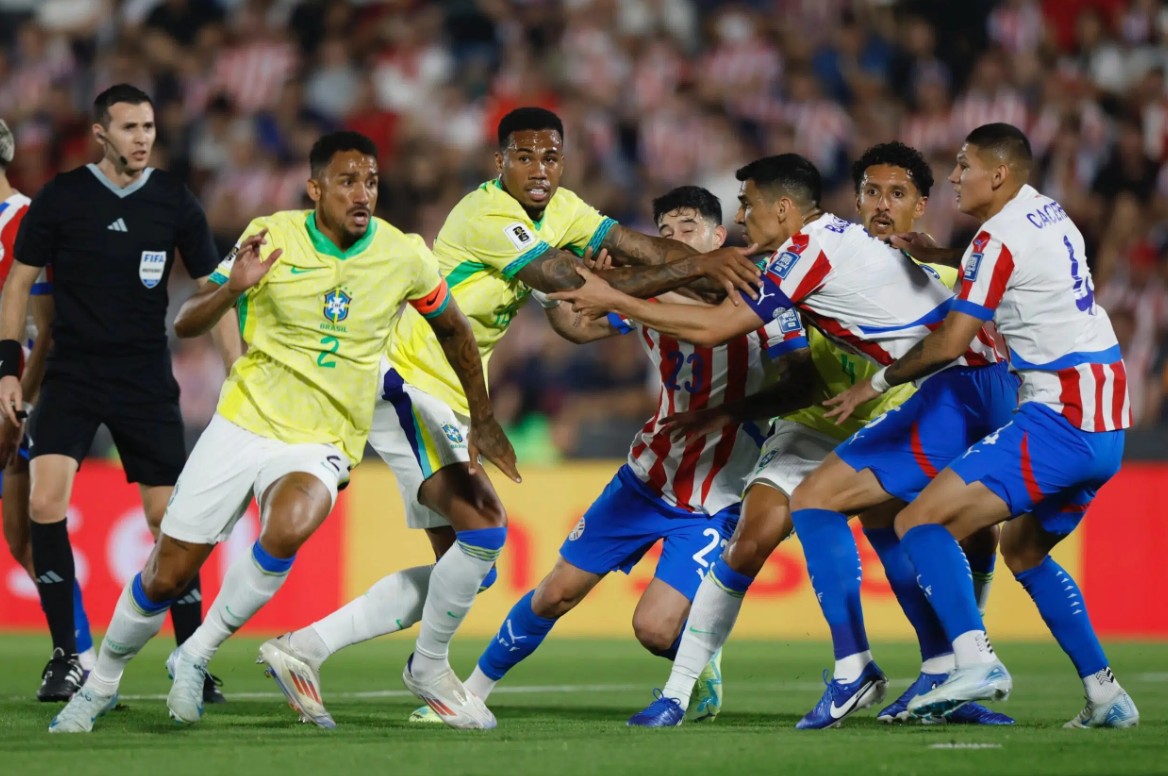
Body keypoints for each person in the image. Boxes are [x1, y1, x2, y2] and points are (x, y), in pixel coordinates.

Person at [255, 107, 763, 731]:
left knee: (465, 565)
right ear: (500, 163)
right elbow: (568, 284)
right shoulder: (487, 213)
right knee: (488, 531)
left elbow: (631, 246)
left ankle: (305, 648)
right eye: (525, 157)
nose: (540, 170)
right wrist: (696, 264)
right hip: (410, 379)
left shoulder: (565, 209)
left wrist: (688, 263)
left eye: (551, 157)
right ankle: (430, 669)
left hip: (447, 394)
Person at [48, 130, 517, 734]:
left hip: (322, 439)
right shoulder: (272, 234)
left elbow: (453, 329)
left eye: (371, 181)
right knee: (168, 573)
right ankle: (103, 683)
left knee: (292, 524)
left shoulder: (403, 254)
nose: (362, 193)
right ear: (315, 188)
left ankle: (196, 653)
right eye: (347, 181)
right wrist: (233, 288)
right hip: (244, 422)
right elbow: (189, 319)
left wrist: (482, 417)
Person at [549, 153, 1013, 729]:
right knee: (884, 525)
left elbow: (721, 325)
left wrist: (613, 296)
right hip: (905, 400)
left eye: (747, 203)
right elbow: (698, 290)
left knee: (905, 523)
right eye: (871, 192)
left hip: (945, 389)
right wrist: (613, 289)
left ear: (784, 208)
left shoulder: (808, 252)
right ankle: (975, 669)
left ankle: (922, 665)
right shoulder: (823, 246)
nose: (742, 214)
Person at [826, 123, 1139, 728]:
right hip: (1107, 420)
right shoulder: (1046, 214)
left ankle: (974, 660)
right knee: (1023, 550)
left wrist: (878, 382)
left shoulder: (998, 238)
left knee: (920, 518)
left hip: (1061, 414)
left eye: (964, 166)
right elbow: (1005, 272)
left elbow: (950, 344)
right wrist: (940, 255)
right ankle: (1106, 695)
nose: (953, 177)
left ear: (997, 174)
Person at [0, 85, 237, 703]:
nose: (142, 138)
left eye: (149, 126)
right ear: (100, 133)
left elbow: (215, 289)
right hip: (73, 377)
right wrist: (7, 368)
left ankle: (190, 658)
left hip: (143, 381)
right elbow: (17, 286)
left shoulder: (171, 200)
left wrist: (235, 367)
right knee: (44, 503)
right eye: (129, 127)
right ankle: (66, 657)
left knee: (169, 520)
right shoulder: (63, 197)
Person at [0, 119, 92, 675]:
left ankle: (79, 653)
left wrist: (19, 406)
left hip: (24, 392)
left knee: (29, 535)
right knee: (19, 540)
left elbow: (46, 329)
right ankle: (80, 653)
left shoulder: (26, 221)